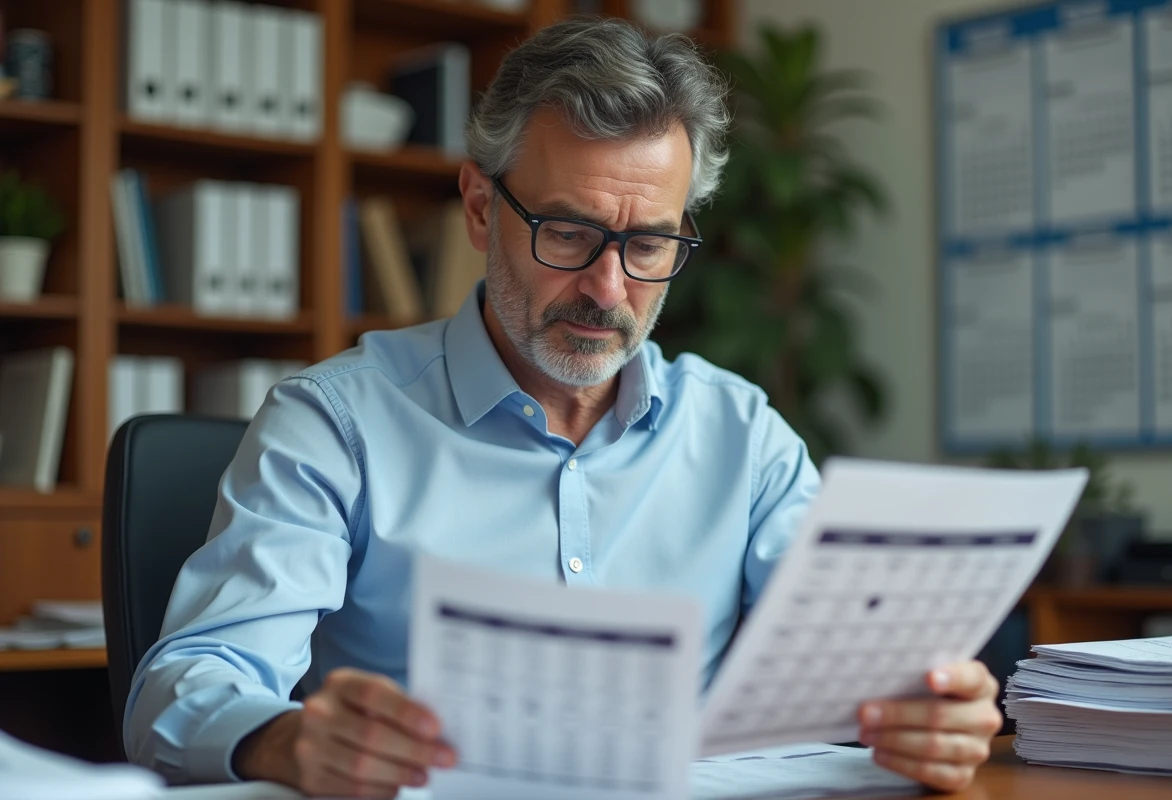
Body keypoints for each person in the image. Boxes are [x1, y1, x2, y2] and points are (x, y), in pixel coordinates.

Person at [125, 18, 1002, 798]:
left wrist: (925, 715)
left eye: (650, 241)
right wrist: (289, 741)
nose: (609, 289)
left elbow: (851, 675)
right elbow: (185, 686)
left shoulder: (743, 437)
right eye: (571, 233)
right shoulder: (335, 423)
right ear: (479, 207)